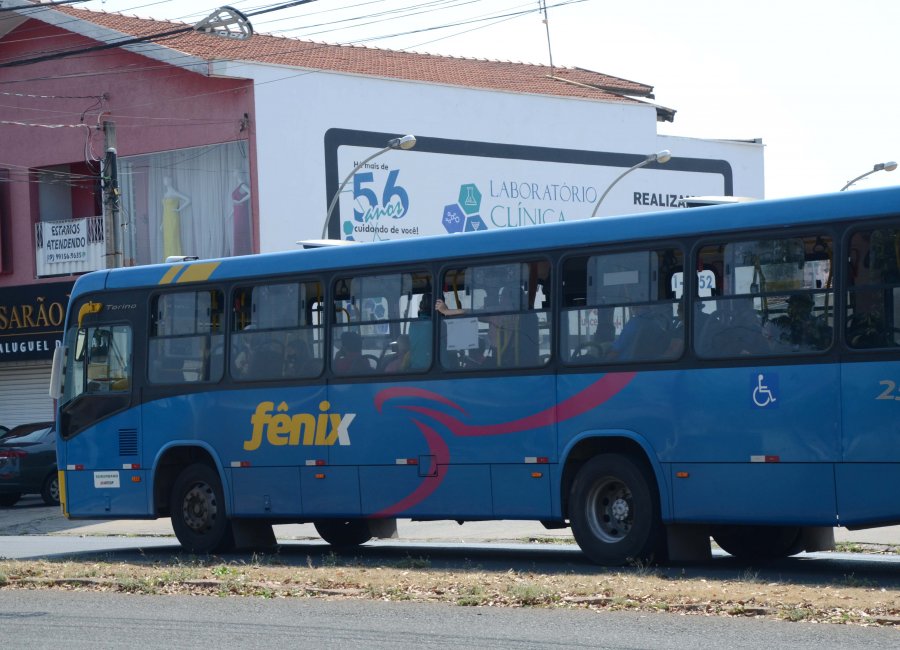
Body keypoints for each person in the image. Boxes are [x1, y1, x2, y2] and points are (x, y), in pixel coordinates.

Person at [161, 176, 190, 260]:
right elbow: (164, 209)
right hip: (166, 218)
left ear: (170, 180)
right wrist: (162, 224)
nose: (165, 181)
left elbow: (188, 200)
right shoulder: (165, 194)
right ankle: (168, 258)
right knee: (167, 239)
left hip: (173, 218)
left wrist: (179, 209)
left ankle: (175, 258)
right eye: (164, 180)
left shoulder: (174, 192)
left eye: (166, 179)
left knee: (173, 238)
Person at [230, 170, 252, 256]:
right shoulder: (239, 185)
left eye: (235, 172)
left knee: (241, 231)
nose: (233, 174)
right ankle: (239, 253)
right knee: (238, 232)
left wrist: (240, 201)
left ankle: (244, 252)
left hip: (241, 212)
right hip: (237, 212)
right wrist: (230, 213)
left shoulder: (242, 185)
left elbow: (250, 193)